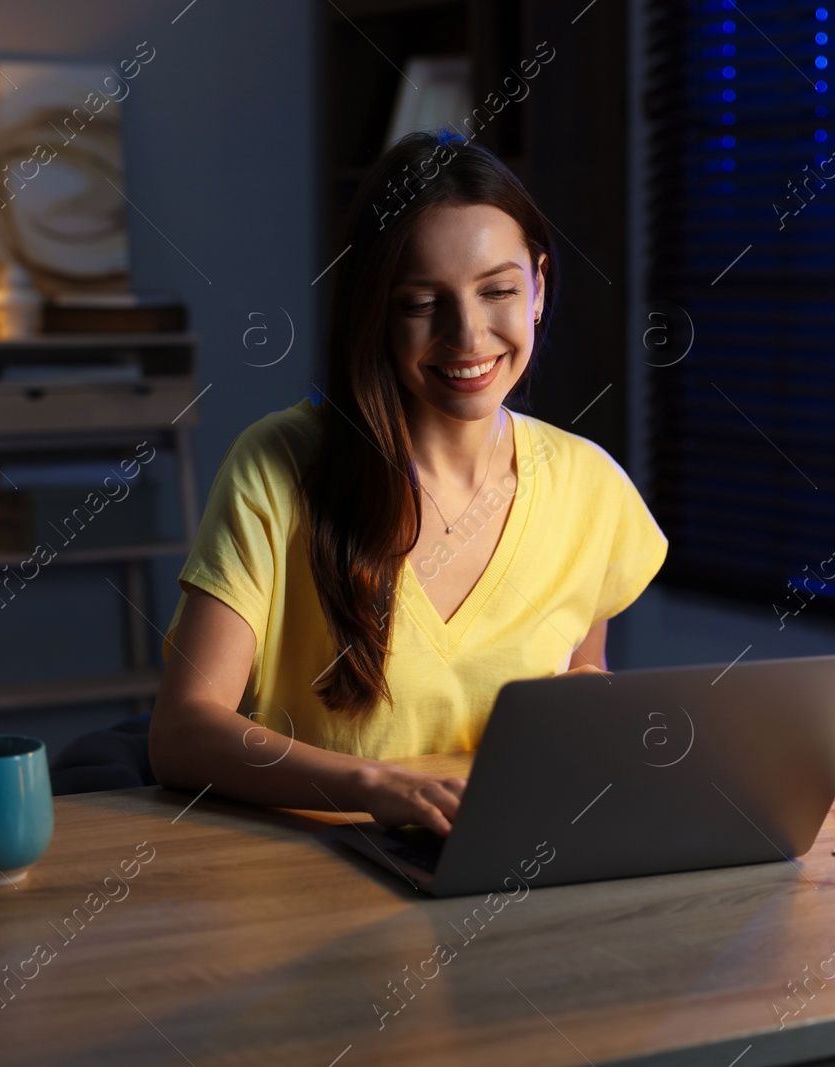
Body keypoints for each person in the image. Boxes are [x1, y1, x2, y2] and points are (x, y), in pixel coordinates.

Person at [148, 130, 667, 836]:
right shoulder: (276, 466)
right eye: (424, 304)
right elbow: (181, 732)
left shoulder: (590, 485)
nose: (469, 336)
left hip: (508, 858)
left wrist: (590, 702)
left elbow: (584, 673)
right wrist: (372, 787)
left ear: (539, 287)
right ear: (376, 313)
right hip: (314, 868)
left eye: (499, 291)